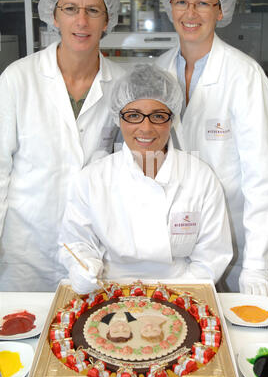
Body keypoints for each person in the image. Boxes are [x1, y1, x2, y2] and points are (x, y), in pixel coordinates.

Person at [156, 0, 268, 295]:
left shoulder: (244, 75)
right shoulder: (158, 72)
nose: (191, 13)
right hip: (177, 239)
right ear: (169, 5)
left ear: (221, 9)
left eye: (203, 3)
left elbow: (265, 177)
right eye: (182, 1)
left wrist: (257, 263)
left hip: (240, 241)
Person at [0, 0, 125, 291]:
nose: (81, 21)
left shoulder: (124, 87)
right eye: (70, 8)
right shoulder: (18, 79)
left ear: (107, 18)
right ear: (53, 15)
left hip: (97, 249)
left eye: (93, 10)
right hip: (27, 252)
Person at [59, 64, 233, 295]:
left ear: (172, 119)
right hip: (110, 288)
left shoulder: (200, 177)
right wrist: (83, 266)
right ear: (118, 119)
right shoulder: (92, 178)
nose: (146, 128)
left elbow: (212, 256)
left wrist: (172, 298)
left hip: (181, 289)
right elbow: (76, 242)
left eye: (158, 116)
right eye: (133, 116)